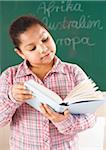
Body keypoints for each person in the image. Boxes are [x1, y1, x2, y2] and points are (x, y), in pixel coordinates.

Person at [0, 15, 96, 150]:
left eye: (45, 39)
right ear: (20, 53)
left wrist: (63, 121)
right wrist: (11, 98)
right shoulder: (10, 76)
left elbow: (90, 118)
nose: (43, 49)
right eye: (32, 48)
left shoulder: (74, 72)